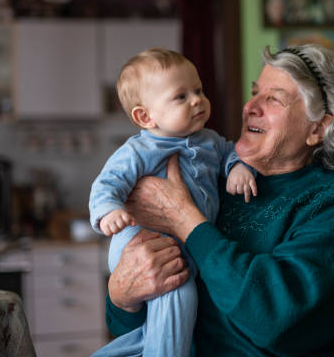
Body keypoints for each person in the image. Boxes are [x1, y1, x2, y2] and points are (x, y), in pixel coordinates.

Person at [104, 44, 334, 356]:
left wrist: (185, 219)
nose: (250, 107)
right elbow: (127, 331)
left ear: (318, 128)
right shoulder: (209, 182)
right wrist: (122, 295)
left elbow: (275, 321)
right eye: (255, 92)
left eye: (273, 99)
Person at [89, 47, 257, 357]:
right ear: (145, 116)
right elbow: (107, 183)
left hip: (183, 246)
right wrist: (108, 211)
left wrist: (237, 168)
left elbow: (230, 152)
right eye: (180, 96)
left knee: (162, 325)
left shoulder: (210, 140)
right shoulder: (140, 150)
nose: (197, 100)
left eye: (198, 90)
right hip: (144, 245)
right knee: (179, 292)